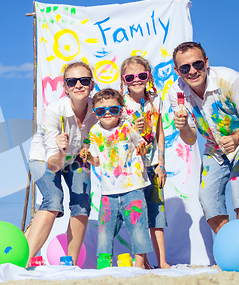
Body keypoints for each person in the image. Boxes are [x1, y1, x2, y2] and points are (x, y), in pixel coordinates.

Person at [169, 42, 239, 234]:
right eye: (185, 67)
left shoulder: (230, 79)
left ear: (206, 62)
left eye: (197, 64)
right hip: (215, 146)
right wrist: (182, 128)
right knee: (207, 197)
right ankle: (232, 245)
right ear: (177, 70)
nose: (192, 71)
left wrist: (237, 138)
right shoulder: (177, 93)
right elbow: (190, 139)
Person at [27, 61, 97, 266]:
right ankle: (25, 259)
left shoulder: (97, 109)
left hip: (76, 157)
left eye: (84, 80)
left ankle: (71, 263)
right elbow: (53, 165)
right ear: (65, 87)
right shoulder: (54, 111)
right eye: (72, 81)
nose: (78, 85)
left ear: (92, 85)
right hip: (46, 157)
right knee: (53, 199)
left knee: (82, 204)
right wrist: (61, 150)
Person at [81, 88, 153, 268]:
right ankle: (103, 265)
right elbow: (96, 161)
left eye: (113, 109)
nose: (107, 113)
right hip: (108, 192)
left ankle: (140, 265)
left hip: (133, 187)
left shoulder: (127, 126)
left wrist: (143, 149)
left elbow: (142, 145)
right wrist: (88, 157)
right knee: (104, 230)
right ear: (95, 113)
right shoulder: (94, 132)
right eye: (101, 110)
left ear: (121, 110)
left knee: (137, 226)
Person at [120, 56, 170, 269]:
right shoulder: (120, 105)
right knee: (138, 215)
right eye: (130, 77)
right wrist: (133, 127)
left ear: (148, 76)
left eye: (142, 75)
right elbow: (117, 137)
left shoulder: (156, 101)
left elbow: (160, 132)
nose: (136, 80)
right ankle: (144, 261)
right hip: (132, 167)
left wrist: (161, 162)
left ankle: (163, 261)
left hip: (152, 164)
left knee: (157, 214)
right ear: (124, 80)